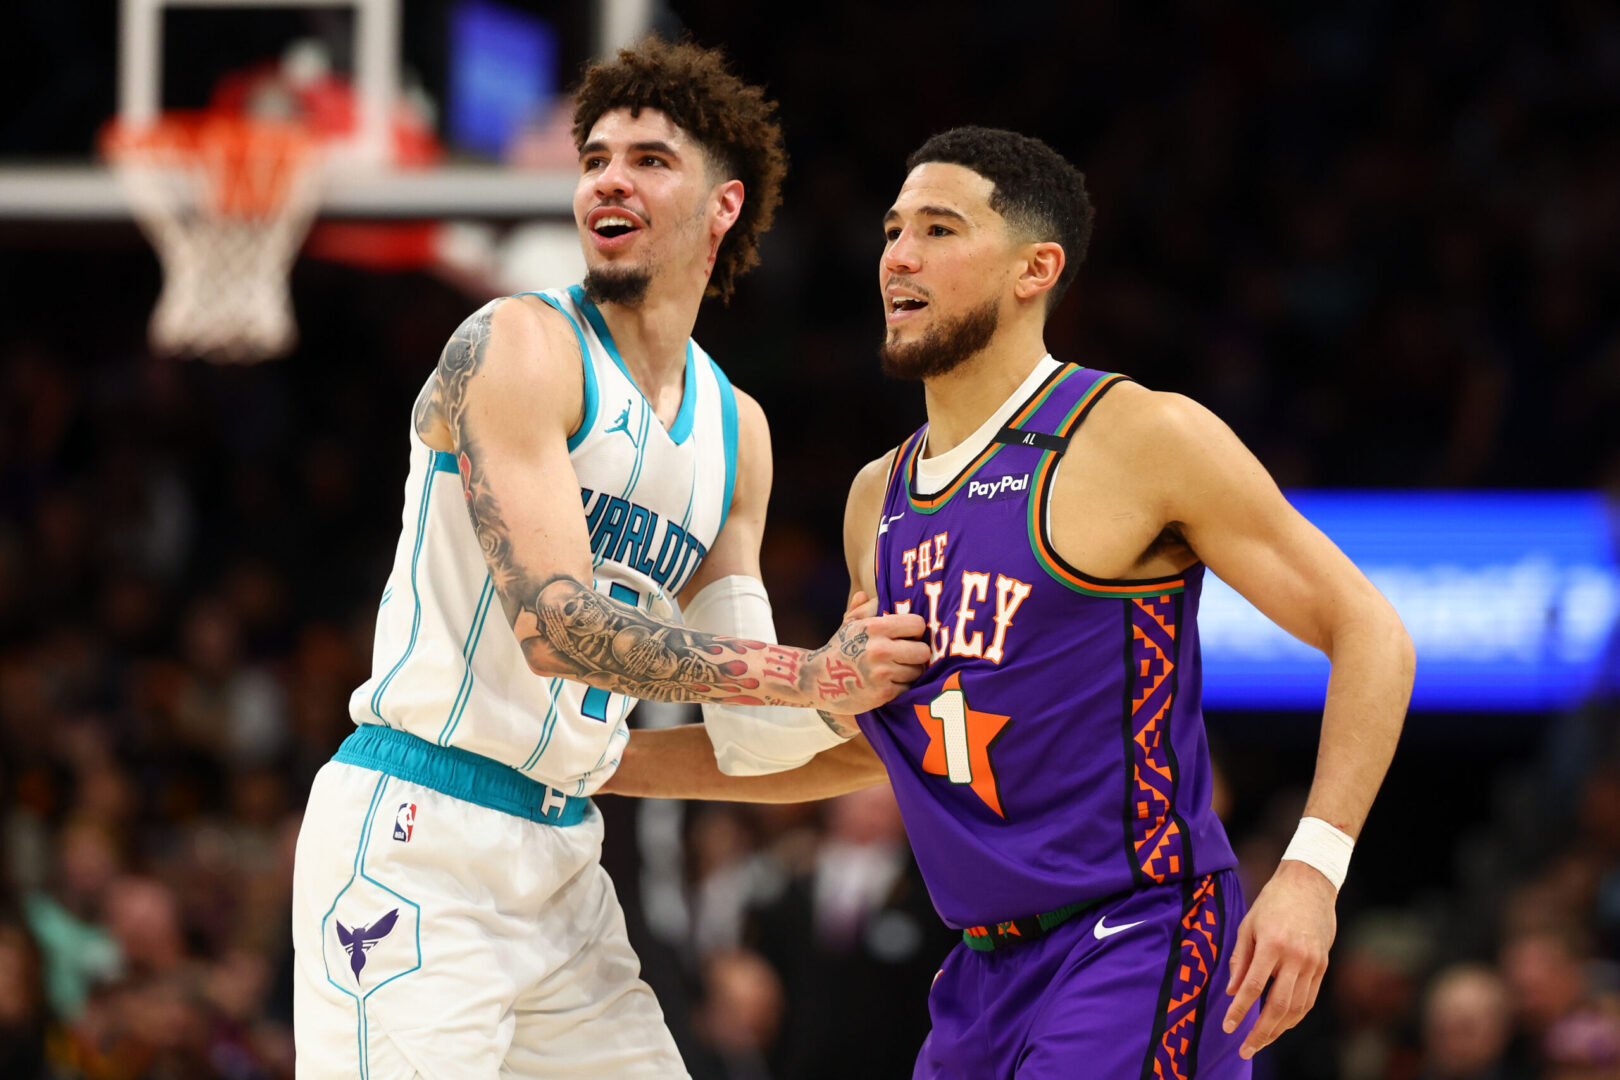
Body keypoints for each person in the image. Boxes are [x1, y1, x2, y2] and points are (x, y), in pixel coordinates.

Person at [604, 126, 1416, 1077]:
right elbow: (868, 751)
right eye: (893, 231)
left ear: (1037, 268)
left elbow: (1370, 631)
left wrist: (1312, 872)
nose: (899, 256)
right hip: (979, 976)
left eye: (939, 230)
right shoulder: (878, 497)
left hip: (1139, 934)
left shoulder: (1139, 437)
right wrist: (589, 763)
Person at [289, 38, 929, 1080]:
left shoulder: (736, 429)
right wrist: (814, 674)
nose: (609, 181)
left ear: (723, 206)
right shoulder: (517, 345)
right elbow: (558, 627)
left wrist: (885, 712)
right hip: (420, 839)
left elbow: (750, 737)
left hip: (566, 854)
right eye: (595, 160)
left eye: (650, 159)